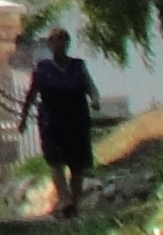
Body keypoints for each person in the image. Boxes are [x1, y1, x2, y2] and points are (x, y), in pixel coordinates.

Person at [16, 23, 100, 218]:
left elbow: (90, 86)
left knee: (77, 164)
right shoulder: (42, 69)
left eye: (62, 41)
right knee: (56, 162)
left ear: (67, 44)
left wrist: (95, 100)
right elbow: (31, 94)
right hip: (51, 122)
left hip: (76, 121)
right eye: (54, 42)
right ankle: (65, 200)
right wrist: (23, 119)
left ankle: (74, 204)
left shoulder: (78, 66)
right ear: (49, 45)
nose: (58, 45)